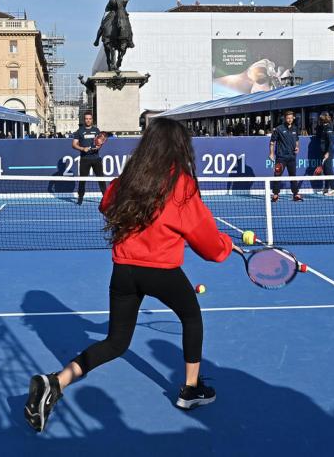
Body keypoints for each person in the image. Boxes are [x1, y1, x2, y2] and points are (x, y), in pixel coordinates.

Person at [24, 118, 237, 433]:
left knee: (115, 342)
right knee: (191, 317)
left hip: (124, 272)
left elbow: (106, 207)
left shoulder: (128, 179)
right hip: (162, 272)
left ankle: (56, 381)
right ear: (179, 147)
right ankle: (191, 390)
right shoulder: (182, 185)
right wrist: (226, 246)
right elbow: (208, 245)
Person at [72, 111, 107, 205]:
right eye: (86, 119)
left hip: (96, 159)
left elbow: (100, 142)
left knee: (101, 179)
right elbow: (74, 144)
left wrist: (98, 147)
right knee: (82, 180)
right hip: (84, 160)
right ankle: (80, 198)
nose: (88, 120)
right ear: (84, 120)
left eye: (90, 119)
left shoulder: (96, 130)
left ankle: (106, 199)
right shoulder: (79, 131)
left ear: (92, 120)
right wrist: (82, 148)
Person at [269, 110, 302, 202]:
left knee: (293, 176)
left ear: (293, 118)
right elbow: (272, 142)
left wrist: (297, 147)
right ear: (284, 118)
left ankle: (295, 194)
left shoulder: (295, 128)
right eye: (288, 118)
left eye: (291, 118)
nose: (290, 120)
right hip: (281, 157)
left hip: (292, 157)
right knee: (277, 176)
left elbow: (297, 140)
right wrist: (271, 153)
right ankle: (275, 194)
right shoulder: (278, 129)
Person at [315, 112, 334, 196]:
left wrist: (328, 152)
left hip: (328, 152)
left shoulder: (328, 128)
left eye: (321, 119)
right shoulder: (323, 127)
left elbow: (331, 142)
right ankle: (326, 189)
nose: (320, 120)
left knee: (329, 170)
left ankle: (333, 190)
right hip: (324, 152)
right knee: (326, 171)